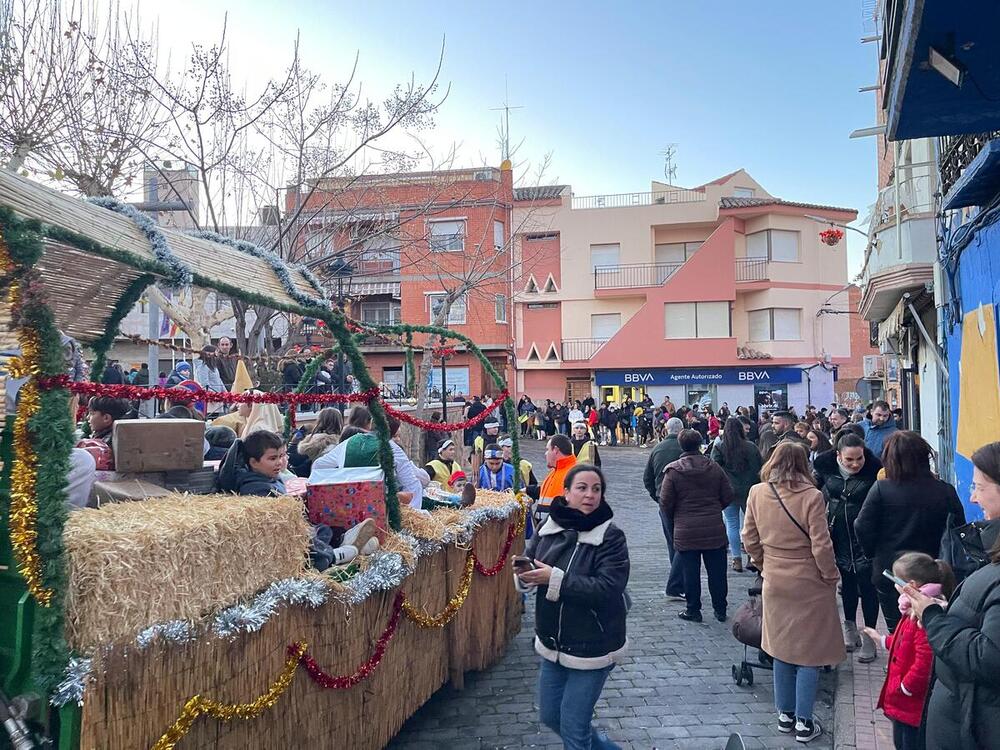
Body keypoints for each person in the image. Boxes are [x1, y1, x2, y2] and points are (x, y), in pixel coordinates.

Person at [514, 463, 629, 750]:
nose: (590, 495)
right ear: (566, 493)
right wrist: (526, 576)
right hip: (553, 642)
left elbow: (607, 588)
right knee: (552, 717)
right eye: (582, 488)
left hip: (593, 645)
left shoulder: (610, 537)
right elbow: (532, 559)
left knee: (574, 731)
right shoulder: (548, 527)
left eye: (596, 489)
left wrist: (554, 579)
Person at [894, 440, 1000, 749]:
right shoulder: (989, 551)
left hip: (977, 727)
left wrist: (934, 617)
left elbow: (990, 657)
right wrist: (943, 610)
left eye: (979, 487)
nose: (973, 496)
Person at [742, 442, 845, 743]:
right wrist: (830, 576)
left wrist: (765, 564)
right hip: (810, 581)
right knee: (809, 653)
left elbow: (749, 538)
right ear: (804, 464)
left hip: (775, 578)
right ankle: (804, 722)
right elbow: (821, 544)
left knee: (781, 648)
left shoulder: (757, 492)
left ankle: (784, 716)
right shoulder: (812, 497)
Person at [854, 431, 965, 632]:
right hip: (934, 572)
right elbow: (959, 530)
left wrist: (872, 553)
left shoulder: (881, 489)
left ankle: (897, 663)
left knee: (897, 632)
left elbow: (861, 526)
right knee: (931, 631)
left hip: (891, 571)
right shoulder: (944, 490)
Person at [861, 553, 955, 750]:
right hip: (904, 701)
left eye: (895, 580)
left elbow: (925, 659)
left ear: (910, 584)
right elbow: (904, 641)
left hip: (911, 702)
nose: (894, 586)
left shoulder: (922, 615)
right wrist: (882, 640)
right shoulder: (913, 608)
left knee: (908, 743)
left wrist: (906, 686)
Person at [813, 432, 883, 662]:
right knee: (848, 583)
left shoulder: (875, 471)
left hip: (867, 536)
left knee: (868, 586)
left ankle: (870, 637)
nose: (855, 464)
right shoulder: (826, 468)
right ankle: (850, 628)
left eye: (859, 459)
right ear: (838, 456)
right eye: (849, 459)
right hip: (838, 534)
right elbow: (814, 492)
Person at [659, 429, 734, 622]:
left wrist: (677, 517)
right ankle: (720, 609)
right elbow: (727, 494)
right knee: (717, 573)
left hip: (685, 529)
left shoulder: (673, 471)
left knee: (689, 572)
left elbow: (665, 502)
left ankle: (693, 609)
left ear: (680, 446)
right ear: (700, 444)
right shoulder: (714, 467)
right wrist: (714, 508)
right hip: (713, 527)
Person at [710, 416, 763, 573]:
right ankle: (752, 557)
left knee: (732, 524)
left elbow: (714, 467)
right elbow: (758, 468)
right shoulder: (751, 447)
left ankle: (736, 559)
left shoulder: (720, 447)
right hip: (750, 491)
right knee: (752, 525)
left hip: (728, 491)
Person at [643, 416, 686, 598]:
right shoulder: (686, 446)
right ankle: (677, 582)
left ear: (666, 429)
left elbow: (647, 478)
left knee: (672, 542)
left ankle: (677, 580)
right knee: (683, 543)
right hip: (685, 501)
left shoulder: (657, 449)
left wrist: (657, 496)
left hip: (664, 500)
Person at [219, 429, 288, 496]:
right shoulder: (255, 490)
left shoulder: (272, 478)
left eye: (281, 456)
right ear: (254, 462)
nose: (279, 462)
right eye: (273, 458)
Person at [530, 434, 577, 528]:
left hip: (558, 533)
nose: (545, 453)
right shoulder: (556, 471)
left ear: (555, 450)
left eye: (548, 449)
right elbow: (546, 493)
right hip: (546, 531)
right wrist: (527, 490)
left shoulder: (574, 473)